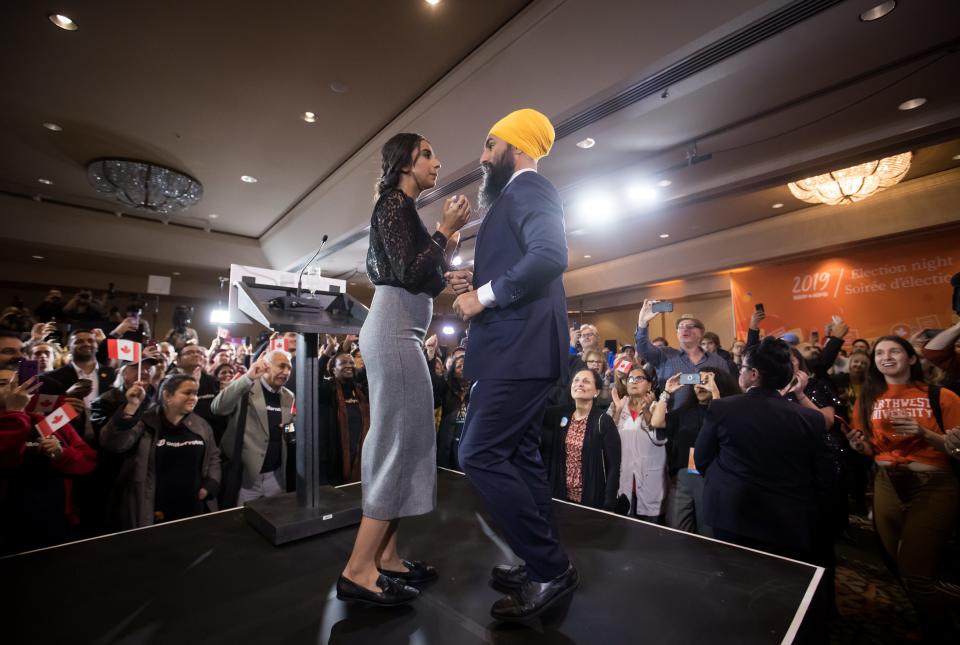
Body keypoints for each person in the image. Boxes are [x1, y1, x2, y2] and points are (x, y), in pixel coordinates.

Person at [447, 108, 578, 621]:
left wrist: (482, 296)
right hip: (518, 346)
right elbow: (525, 264)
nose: (482, 157)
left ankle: (550, 567)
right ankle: (537, 558)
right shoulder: (514, 196)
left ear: (516, 146)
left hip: (518, 349)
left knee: (477, 453)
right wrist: (476, 284)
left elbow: (550, 255)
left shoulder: (529, 189)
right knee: (520, 456)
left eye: (489, 145)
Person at [337, 132, 469, 607]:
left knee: (407, 440)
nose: (438, 161)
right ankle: (357, 569)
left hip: (404, 331)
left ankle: (386, 558)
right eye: (429, 153)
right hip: (394, 332)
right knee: (396, 443)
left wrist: (447, 244)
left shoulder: (403, 210)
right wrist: (444, 231)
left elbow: (426, 277)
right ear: (405, 161)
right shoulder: (392, 204)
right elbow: (411, 274)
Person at [843, 336, 959, 643]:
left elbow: (957, 449)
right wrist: (859, 446)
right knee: (896, 561)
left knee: (915, 570)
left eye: (894, 350)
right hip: (886, 482)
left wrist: (925, 434)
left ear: (910, 359)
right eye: (879, 353)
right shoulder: (868, 398)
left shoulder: (941, 395)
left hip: (933, 484)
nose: (886, 356)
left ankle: (942, 632)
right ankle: (930, 617)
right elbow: (870, 448)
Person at [694, 337, 835, 560]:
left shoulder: (722, 408)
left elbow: (702, 459)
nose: (739, 373)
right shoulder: (811, 419)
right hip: (789, 518)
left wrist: (727, 482)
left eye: (742, 368)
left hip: (732, 513)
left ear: (754, 374)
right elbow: (823, 472)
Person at [100, 374, 220, 529]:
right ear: (167, 396)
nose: (193, 397)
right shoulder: (145, 421)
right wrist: (131, 406)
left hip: (191, 508)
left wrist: (210, 485)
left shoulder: (201, 425)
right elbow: (114, 444)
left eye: (195, 393)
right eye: (187, 392)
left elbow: (213, 457)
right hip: (152, 509)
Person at [0, 369, 96, 554]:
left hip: (53, 522)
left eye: (15, 383)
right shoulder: (17, 419)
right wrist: (14, 412)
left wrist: (62, 454)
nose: (14, 388)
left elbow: (88, 460)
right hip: (7, 531)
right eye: (4, 384)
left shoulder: (45, 422)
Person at [651, 367, 740, 535]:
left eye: (704, 381)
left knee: (708, 531)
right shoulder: (685, 411)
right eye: (696, 381)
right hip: (683, 475)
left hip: (712, 475)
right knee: (677, 529)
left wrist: (715, 393)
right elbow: (656, 421)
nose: (699, 386)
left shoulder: (726, 410)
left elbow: (724, 425)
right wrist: (667, 392)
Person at [212, 350, 294, 505]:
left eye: (289, 368)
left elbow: (289, 428)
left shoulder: (289, 396)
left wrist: (290, 429)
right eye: (282, 366)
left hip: (275, 475)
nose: (286, 372)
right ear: (266, 366)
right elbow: (217, 408)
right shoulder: (245, 386)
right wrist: (248, 377)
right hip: (246, 476)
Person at [541, 369, 620, 512]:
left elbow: (613, 467)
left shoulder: (604, 421)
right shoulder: (559, 415)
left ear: (596, 391)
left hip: (590, 500)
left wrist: (609, 504)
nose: (579, 384)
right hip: (560, 497)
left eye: (586, 381)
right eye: (576, 380)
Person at [635, 301, 734, 407]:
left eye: (691, 326)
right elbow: (643, 349)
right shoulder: (664, 355)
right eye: (681, 327)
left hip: (711, 417)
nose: (685, 329)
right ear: (677, 333)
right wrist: (642, 323)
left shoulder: (718, 361)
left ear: (701, 333)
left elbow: (728, 391)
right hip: (673, 419)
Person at [607, 363, 665, 522]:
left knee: (648, 532)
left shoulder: (659, 407)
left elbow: (659, 438)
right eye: (630, 378)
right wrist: (618, 411)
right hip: (622, 476)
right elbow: (607, 440)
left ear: (650, 384)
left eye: (639, 378)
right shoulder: (616, 405)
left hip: (648, 478)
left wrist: (646, 410)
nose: (633, 381)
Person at [318, 348, 369, 485]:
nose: (349, 365)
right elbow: (313, 378)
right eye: (343, 363)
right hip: (335, 458)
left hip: (359, 456)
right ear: (333, 370)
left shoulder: (360, 391)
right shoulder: (327, 390)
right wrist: (326, 354)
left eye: (352, 363)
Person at [433, 353, 471, 470]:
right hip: (448, 439)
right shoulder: (446, 387)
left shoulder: (475, 388)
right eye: (459, 366)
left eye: (466, 365)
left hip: (467, 440)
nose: (463, 368)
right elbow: (435, 394)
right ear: (453, 372)